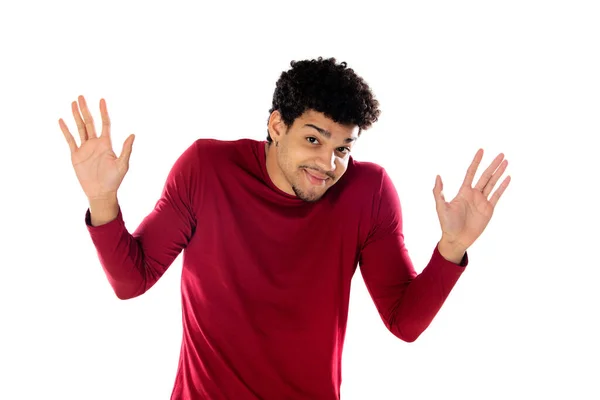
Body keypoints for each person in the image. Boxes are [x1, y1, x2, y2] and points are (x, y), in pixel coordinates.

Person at [59, 57, 510, 400]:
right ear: (277, 125)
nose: (327, 163)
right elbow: (132, 280)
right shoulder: (206, 168)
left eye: (342, 149)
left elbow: (403, 322)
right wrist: (102, 201)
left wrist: (452, 247)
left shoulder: (367, 192)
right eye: (313, 139)